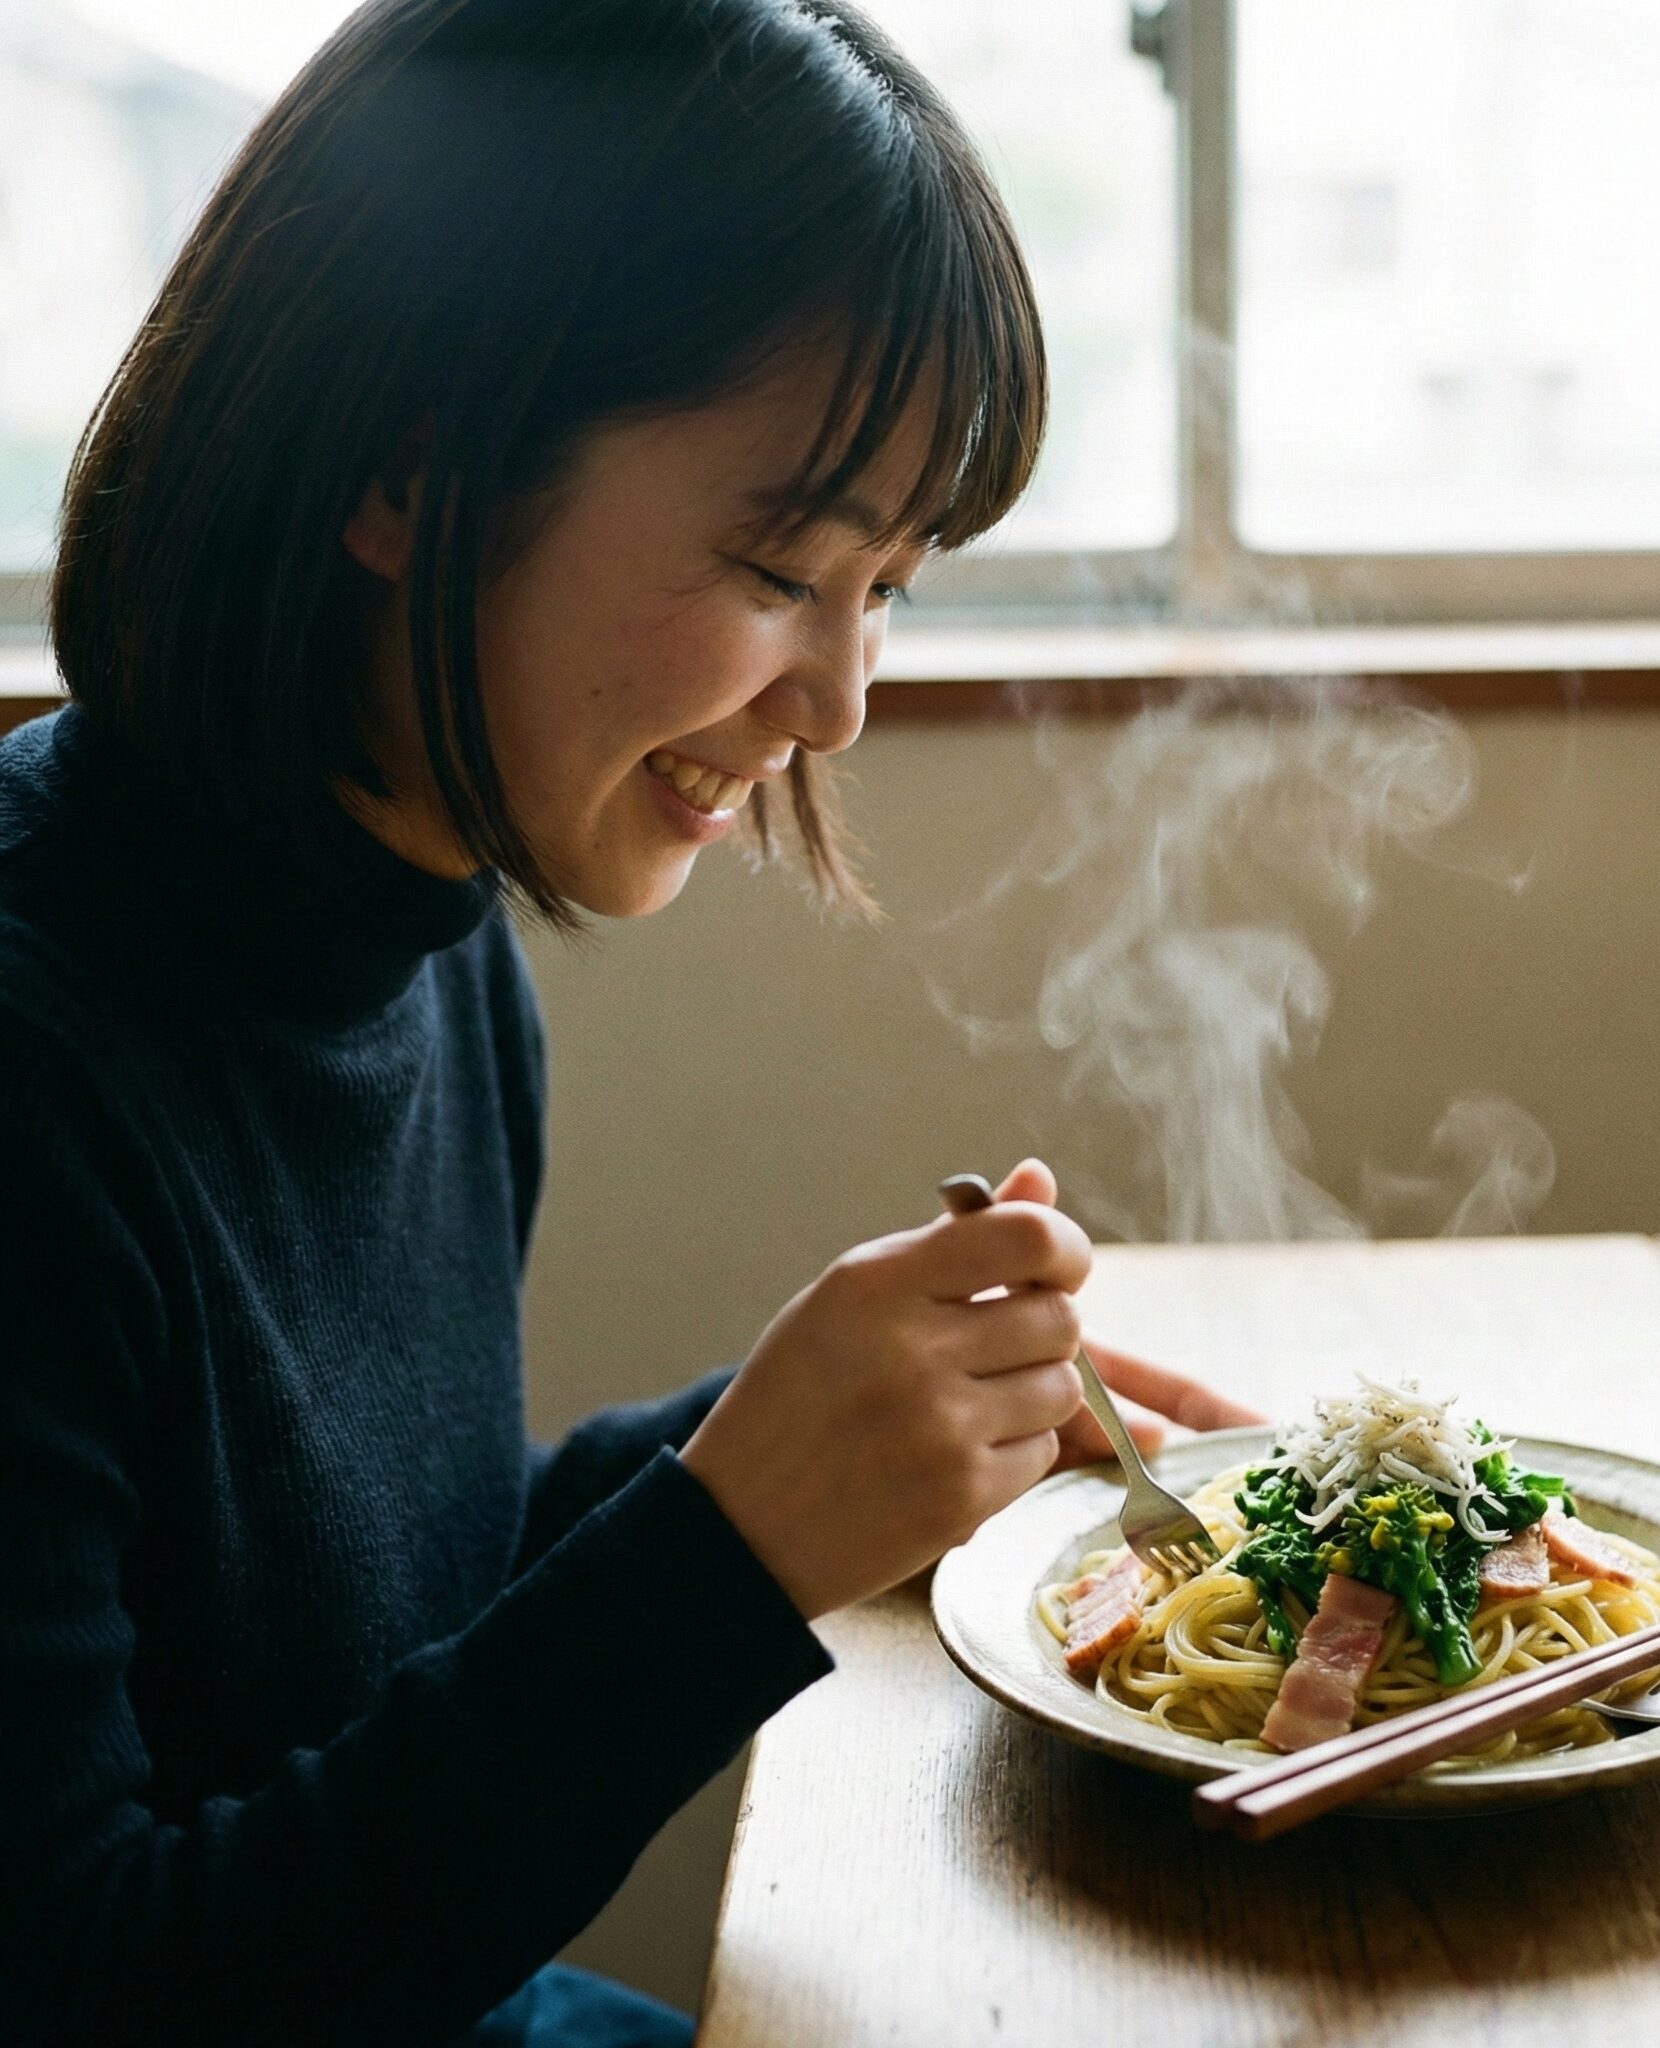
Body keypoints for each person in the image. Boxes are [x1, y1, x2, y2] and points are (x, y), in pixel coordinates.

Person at [0, 3, 1260, 2043]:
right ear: (411, 465)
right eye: (778, 564)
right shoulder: (36, 1069)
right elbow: (92, 1984)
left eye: (888, 585)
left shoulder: (426, 933)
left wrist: (803, 1453)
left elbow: (340, 1635)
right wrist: (723, 1548)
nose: (836, 701)